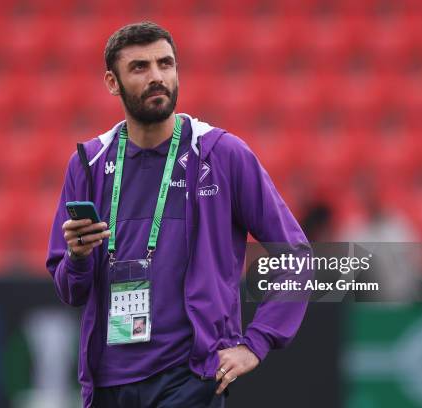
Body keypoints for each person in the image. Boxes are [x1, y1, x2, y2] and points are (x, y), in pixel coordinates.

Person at [46, 21, 310, 408]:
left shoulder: (221, 154)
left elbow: (297, 256)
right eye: (140, 67)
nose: (157, 77)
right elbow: (71, 289)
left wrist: (257, 342)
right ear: (111, 82)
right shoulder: (88, 163)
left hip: (189, 377)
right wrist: (79, 258)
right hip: (107, 383)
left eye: (165, 64)